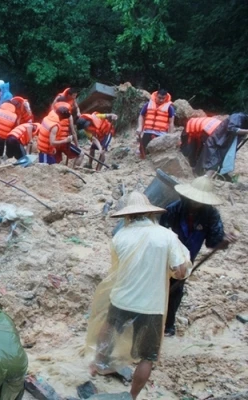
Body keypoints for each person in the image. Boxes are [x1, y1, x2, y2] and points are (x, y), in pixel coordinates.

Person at [86, 192, 191, 400]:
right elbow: (180, 270)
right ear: (150, 213)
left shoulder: (120, 237)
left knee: (110, 328)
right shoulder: (166, 236)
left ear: (128, 216)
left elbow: (120, 267)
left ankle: (97, 364)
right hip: (150, 306)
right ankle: (132, 395)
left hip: (121, 298)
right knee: (148, 356)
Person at [159, 176, 237, 336]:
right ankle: (152, 320)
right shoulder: (173, 209)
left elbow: (213, 241)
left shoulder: (211, 215)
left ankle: (168, 325)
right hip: (164, 258)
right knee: (159, 288)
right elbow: (159, 235)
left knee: (175, 292)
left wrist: (224, 241)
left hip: (187, 260)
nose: (195, 203)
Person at [136, 89, 175, 158]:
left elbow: (171, 123)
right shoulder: (148, 104)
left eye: (163, 98)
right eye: (159, 98)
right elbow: (141, 115)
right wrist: (140, 127)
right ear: (156, 96)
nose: (161, 100)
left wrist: (170, 136)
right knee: (141, 152)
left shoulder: (169, 107)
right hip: (148, 131)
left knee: (158, 154)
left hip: (161, 133)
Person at [49, 97, 83, 168]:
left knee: (55, 163)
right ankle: (74, 171)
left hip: (55, 143)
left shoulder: (53, 113)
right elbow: (73, 132)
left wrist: (55, 99)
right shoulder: (69, 115)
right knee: (81, 154)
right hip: (64, 144)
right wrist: (77, 146)